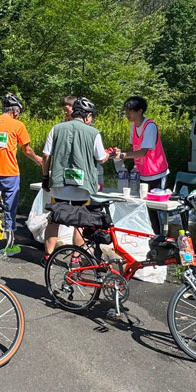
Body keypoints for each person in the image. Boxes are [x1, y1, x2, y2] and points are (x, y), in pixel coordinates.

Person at [41, 97, 111, 266]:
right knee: (79, 223)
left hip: (59, 183)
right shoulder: (93, 133)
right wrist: (109, 154)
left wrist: (45, 177)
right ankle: (75, 259)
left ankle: (48, 257)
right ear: (87, 116)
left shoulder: (56, 128)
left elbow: (45, 155)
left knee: (54, 219)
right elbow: (101, 159)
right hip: (82, 186)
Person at [0, 93, 42, 253]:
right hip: (10, 174)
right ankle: (9, 246)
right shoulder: (17, 125)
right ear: (14, 111)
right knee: (10, 209)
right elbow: (27, 150)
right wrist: (39, 160)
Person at [113, 96, 170, 234]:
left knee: (156, 208)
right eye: (126, 111)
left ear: (140, 111)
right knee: (143, 205)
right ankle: (149, 235)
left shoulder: (150, 126)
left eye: (130, 111)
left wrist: (124, 155)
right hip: (141, 172)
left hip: (156, 172)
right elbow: (134, 150)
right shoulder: (133, 127)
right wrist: (122, 154)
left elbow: (143, 152)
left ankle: (160, 236)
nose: (127, 114)